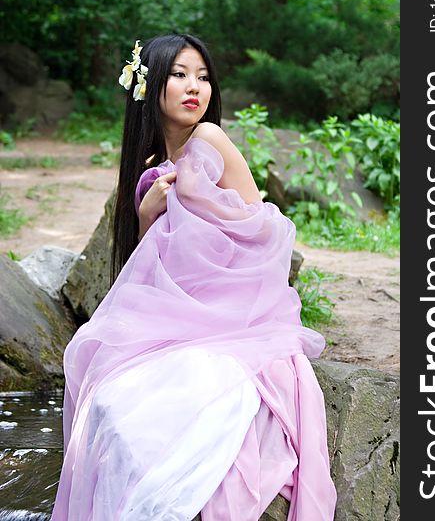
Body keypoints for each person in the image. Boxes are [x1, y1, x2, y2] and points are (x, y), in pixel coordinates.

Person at [51, 34, 337, 520]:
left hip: (232, 309)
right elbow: (150, 268)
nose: (195, 88)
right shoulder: (149, 168)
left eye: (203, 77)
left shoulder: (209, 140)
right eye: (181, 75)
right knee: (99, 377)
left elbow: (265, 232)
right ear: (152, 86)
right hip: (177, 312)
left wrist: (195, 198)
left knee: (180, 403)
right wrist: (146, 216)